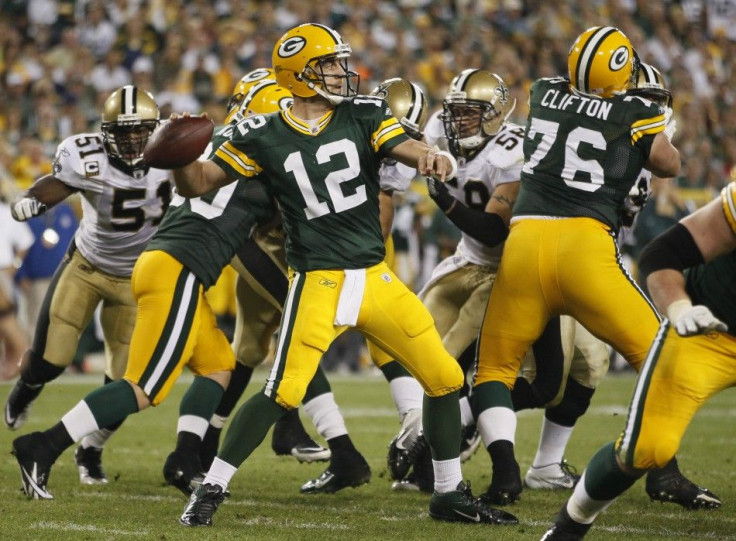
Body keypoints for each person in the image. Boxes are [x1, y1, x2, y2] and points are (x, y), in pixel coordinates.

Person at [174, 23, 517, 527]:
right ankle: (212, 487)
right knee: (282, 390)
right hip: (319, 281)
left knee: (444, 379)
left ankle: (448, 494)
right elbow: (200, 181)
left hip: (374, 277)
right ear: (302, 73)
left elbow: (406, 147)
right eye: (330, 64)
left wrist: (432, 157)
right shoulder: (261, 131)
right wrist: (179, 158)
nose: (341, 72)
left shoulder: (364, 112)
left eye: (339, 62)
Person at [10, 91, 276, 500]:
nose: (134, 141)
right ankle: (41, 446)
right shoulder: (234, 156)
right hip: (169, 268)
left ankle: (184, 459)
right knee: (143, 387)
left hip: (167, 267)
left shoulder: (217, 151)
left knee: (218, 366)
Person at [467, 25, 683, 508]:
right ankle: (663, 470)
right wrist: (656, 127)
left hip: (524, 243)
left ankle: (505, 477)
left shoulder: (544, 93)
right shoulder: (636, 110)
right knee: (659, 355)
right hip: (584, 248)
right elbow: (669, 164)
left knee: (494, 371)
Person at [516, 62, 719, 510]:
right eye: (639, 103)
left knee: (587, 365)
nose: (646, 112)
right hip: (565, 256)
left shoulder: (628, 143)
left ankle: (543, 464)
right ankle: (453, 426)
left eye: (653, 105)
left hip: (587, 261)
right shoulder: (610, 139)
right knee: (644, 354)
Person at [540, 180, 736, 540]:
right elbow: (661, 256)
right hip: (710, 333)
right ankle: (570, 525)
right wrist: (678, 307)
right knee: (647, 448)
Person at [5, 85, 173, 485]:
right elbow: (54, 185)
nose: (133, 140)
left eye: (141, 131)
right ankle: (26, 388)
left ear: (156, 129)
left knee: (123, 383)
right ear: (104, 131)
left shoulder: (175, 149)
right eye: (123, 132)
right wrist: (32, 199)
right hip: (87, 266)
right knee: (52, 359)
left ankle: (90, 449)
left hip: (138, 279)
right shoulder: (86, 155)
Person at [388, 68, 522, 490]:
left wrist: (445, 202)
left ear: (496, 113)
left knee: (449, 358)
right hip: (465, 260)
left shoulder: (512, 151)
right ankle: (422, 431)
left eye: (469, 113)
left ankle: (433, 445)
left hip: (503, 269)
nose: (458, 121)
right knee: (411, 339)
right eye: (455, 112)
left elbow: (493, 230)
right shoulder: (439, 134)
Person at [0, 197, 34, 380]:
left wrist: (16, 264)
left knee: (5, 316)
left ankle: (23, 358)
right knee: (5, 318)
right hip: (4, 271)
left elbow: (26, 240)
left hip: (2, 271)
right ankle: (16, 360)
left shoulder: (5, 212)